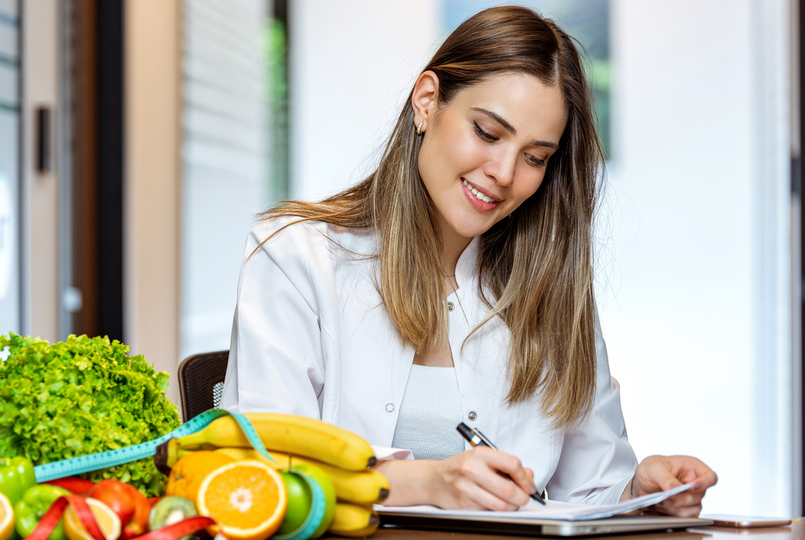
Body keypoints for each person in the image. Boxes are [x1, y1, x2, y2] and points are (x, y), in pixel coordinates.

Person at [220, 5, 717, 516]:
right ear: (427, 101)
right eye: (487, 132)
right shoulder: (295, 255)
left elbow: (589, 490)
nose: (503, 172)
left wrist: (639, 494)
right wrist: (427, 483)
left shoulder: (550, 285)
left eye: (535, 157)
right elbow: (264, 466)